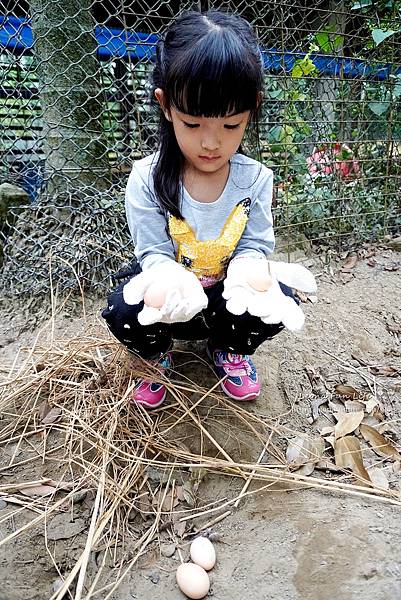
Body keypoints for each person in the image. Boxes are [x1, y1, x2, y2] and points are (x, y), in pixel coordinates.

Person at [102, 10, 316, 409]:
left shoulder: (256, 180)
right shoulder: (146, 178)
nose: (211, 145)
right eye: (194, 124)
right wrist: (164, 279)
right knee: (124, 309)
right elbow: (153, 253)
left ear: (252, 108)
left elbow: (253, 245)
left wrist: (251, 270)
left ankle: (228, 349)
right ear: (165, 106)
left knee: (274, 300)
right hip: (173, 298)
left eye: (231, 126)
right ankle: (156, 355)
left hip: (224, 295)